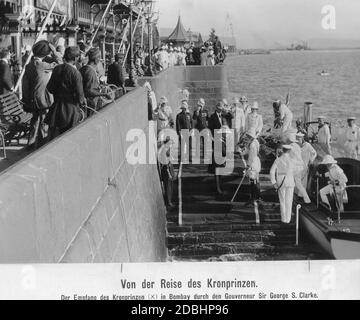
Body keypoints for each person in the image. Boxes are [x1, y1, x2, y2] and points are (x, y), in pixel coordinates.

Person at [22, 40, 62, 149]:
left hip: (32, 100)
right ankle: (42, 145)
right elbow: (60, 63)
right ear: (45, 53)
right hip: (44, 100)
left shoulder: (29, 66)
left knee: (34, 121)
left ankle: (30, 144)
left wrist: (26, 98)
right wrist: (53, 51)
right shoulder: (43, 66)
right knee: (44, 122)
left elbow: (25, 84)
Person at [45, 46, 86, 137]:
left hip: (56, 110)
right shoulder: (76, 73)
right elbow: (80, 97)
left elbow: (50, 88)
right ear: (75, 58)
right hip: (71, 111)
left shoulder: (56, 69)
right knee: (70, 138)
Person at [80, 48, 112, 116]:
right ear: (96, 59)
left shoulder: (83, 68)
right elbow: (89, 91)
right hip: (90, 104)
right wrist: (104, 94)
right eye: (99, 57)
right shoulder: (90, 72)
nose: (100, 60)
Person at [270, 145, 295, 224]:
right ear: (289, 151)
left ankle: (283, 219)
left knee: (282, 200)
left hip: (281, 180)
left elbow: (271, 171)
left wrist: (274, 182)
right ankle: (288, 220)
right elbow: (296, 171)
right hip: (290, 180)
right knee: (289, 200)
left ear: (283, 150)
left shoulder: (278, 160)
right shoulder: (292, 160)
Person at [289, 132, 311, 204]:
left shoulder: (292, 146)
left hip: (295, 168)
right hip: (299, 167)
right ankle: (307, 199)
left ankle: (290, 198)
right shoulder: (298, 147)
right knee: (299, 184)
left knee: (292, 182)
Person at [242, 129, 261, 206]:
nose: (246, 136)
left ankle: (253, 198)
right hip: (255, 162)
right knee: (256, 180)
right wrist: (242, 152)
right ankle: (257, 197)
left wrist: (247, 166)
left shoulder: (253, 144)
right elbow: (247, 150)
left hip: (253, 164)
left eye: (248, 136)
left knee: (253, 181)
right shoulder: (254, 142)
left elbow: (251, 157)